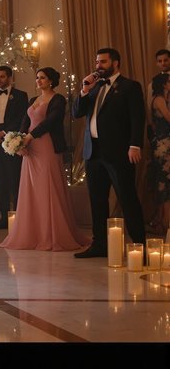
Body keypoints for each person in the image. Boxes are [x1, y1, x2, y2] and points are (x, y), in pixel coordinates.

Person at [0, 68, 88, 251]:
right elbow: (25, 121)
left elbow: (52, 121)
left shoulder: (58, 99)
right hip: (30, 147)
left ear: (51, 81)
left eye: (42, 78)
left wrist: (30, 137)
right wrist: (19, 142)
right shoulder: (33, 100)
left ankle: (52, 234)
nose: (38, 81)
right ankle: (32, 232)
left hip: (47, 146)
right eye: (37, 78)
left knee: (47, 186)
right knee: (30, 188)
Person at [73, 48, 146, 258]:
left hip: (119, 152)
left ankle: (139, 245)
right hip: (93, 152)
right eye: (97, 62)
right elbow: (77, 112)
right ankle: (100, 245)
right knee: (97, 200)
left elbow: (137, 118)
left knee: (127, 198)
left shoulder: (130, 87)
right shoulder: (94, 87)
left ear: (115, 63)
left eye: (103, 62)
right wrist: (85, 90)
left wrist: (135, 145)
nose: (98, 66)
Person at [0, 65, 29, 229]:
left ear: (9, 78)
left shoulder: (21, 95)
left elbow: (22, 117)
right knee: (0, 181)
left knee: (14, 181)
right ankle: (3, 218)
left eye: (2, 77)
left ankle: (18, 218)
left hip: (11, 141)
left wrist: (4, 132)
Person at [145, 73, 170, 236]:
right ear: (163, 84)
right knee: (164, 181)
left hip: (165, 143)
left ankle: (163, 221)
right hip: (163, 145)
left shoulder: (163, 99)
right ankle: (163, 222)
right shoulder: (159, 100)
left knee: (165, 181)